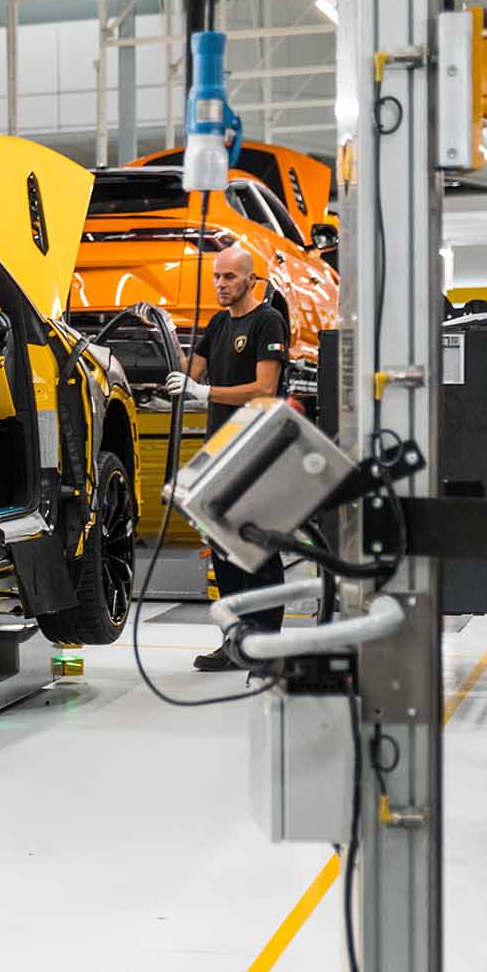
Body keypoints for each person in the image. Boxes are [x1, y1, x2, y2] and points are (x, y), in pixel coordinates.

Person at [163, 246, 289, 672]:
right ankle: (235, 642)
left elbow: (264, 388)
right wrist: (158, 335)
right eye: (217, 277)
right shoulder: (217, 324)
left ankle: (265, 644)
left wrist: (204, 393)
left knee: (256, 548)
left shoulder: (267, 321)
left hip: (255, 451)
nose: (220, 284)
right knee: (222, 550)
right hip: (220, 452)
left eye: (230, 277)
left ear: (251, 280)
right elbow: (189, 371)